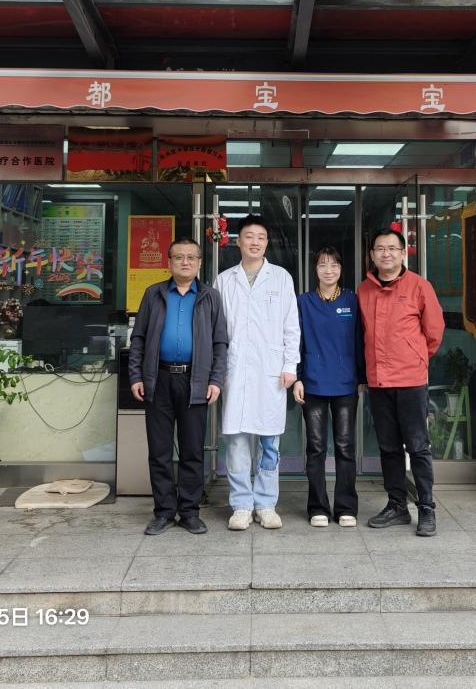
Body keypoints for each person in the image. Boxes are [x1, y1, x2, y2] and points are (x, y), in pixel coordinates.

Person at [128, 237, 227, 536]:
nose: (185, 262)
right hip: (157, 379)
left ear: (199, 263)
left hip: (194, 381)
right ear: (169, 262)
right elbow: (139, 338)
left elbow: (220, 342)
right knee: (159, 451)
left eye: (191, 257)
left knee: (192, 451)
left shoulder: (210, 297)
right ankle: (163, 512)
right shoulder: (154, 294)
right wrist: (136, 376)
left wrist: (216, 380)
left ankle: (189, 512)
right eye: (179, 257)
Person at [357, 226, 445, 537]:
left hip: (410, 380)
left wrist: (415, 358)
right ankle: (397, 505)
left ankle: (427, 507)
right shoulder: (364, 290)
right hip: (379, 382)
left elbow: (434, 333)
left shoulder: (419, 286)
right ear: (372, 254)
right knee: (389, 447)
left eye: (392, 248)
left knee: (418, 446)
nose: (386, 254)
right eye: (380, 249)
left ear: (403, 253)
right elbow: (362, 335)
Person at [215, 214, 300, 530]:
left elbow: (291, 326)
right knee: (237, 441)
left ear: (267, 242)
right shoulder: (224, 280)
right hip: (235, 371)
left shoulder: (281, 278)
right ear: (238, 241)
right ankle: (241, 505)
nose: (255, 242)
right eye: (249, 236)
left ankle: (265, 504)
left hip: (271, 372)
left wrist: (290, 365)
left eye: (261, 237)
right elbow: (216, 331)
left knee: (269, 442)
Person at [293, 246, 364, 528]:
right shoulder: (303, 302)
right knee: (316, 448)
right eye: (322, 265)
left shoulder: (352, 300)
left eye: (334, 265)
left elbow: (360, 340)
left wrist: (361, 378)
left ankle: (346, 507)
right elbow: (295, 341)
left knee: (345, 447)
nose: (328, 270)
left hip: (346, 383)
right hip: (313, 383)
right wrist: (297, 377)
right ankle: (318, 507)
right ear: (315, 269)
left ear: (341, 269)